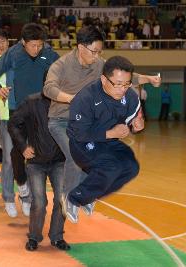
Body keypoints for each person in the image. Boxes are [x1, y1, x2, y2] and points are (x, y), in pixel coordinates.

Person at [43, 25, 160, 201]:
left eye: (100, 52)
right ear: (81, 47)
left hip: (90, 122)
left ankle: (85, 195)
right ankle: (67, 199)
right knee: (76, 157)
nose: (97, 56)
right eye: (94, 52)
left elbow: (126, 77)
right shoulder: (61, 65)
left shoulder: (98, 64)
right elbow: (49, 89)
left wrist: (148, 79)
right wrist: (72, 99)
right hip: (61, 120)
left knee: (100, 159)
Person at [0, 23, 59, 217]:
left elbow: (63, 74)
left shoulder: (50, 54)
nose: (36, 49)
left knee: (34, 158)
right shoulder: (13, 54)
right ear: (23, 42)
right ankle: (9, 198)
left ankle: (27, 198)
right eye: (32, 45)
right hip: (14, 112)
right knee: (11, 158)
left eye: (40, 45)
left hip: (40, 116)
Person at [63, 56, 144, 223]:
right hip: (82, 144)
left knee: (131, 167)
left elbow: (129, 123)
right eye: (118, 83)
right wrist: (110, 133)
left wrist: (136, 126)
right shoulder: (85, 98)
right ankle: (73, 199)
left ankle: (90, 196)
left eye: (127, 84)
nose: (122, 89)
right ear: (103, 79)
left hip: (109, 142)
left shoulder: (131, 97)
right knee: (111, 167)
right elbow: (78, 133)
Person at [8, 93, 69, 251]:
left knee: (62, 200)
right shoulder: (31, 102)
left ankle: (57, 237)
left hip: (60, 161)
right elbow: (13, 124)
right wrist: (22, 146)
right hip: (36, 162)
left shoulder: (68, 103)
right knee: (39, 202)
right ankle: (34, 236)